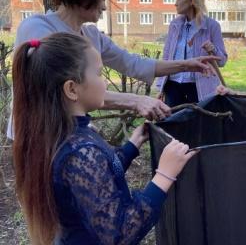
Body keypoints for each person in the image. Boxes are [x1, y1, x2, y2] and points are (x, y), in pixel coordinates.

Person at [12, 33, 196, 244]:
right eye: (99, 74)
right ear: (72, 89)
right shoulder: (78, 151)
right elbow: (120, 233)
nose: (105, 84)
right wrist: (164, 175)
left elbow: (103, 173)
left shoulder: (70, 133)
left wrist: (133, 144)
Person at [6, 0, 219, 140]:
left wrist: (187, 65)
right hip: (38, 136)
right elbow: (68, 91)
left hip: (68, 135)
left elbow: (132, 63)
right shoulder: (38, 28)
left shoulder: (90, 35)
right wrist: (135, 100)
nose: (105, 7)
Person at [156, 0, 227, 107]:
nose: (175, 3)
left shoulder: (211, 26)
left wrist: (213, 49)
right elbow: (166, 57)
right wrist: (161, 88)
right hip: (173, 87)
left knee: (196, 124)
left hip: (199, 89)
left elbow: (222, 61)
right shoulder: (175, 25)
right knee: (174, 123)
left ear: (192, 0)